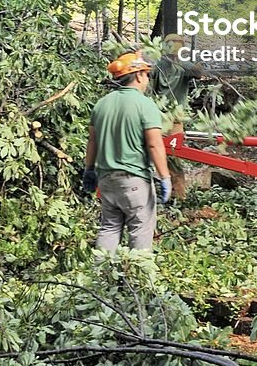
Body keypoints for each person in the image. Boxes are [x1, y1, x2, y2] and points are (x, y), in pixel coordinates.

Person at [83, 51, 172, 253]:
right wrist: (165, 177)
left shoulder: (101, 105)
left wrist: (89, 169)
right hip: (135, 181)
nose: (147, 80)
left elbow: (92, 140)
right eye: (147, 75)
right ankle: (138, 281)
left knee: (109, 228)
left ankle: (101, 279)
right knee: (140, 231)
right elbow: (154, 145)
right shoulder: (145, 105)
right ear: (139, 75)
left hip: (106, 180)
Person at [151, 34, 205, 199]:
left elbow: (198, 73)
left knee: (175, 157)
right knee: (152, 154)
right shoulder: (158, 66)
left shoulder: (184, 66)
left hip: (175, 119)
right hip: (158, 117)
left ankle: (178, 196)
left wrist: (199, 64)